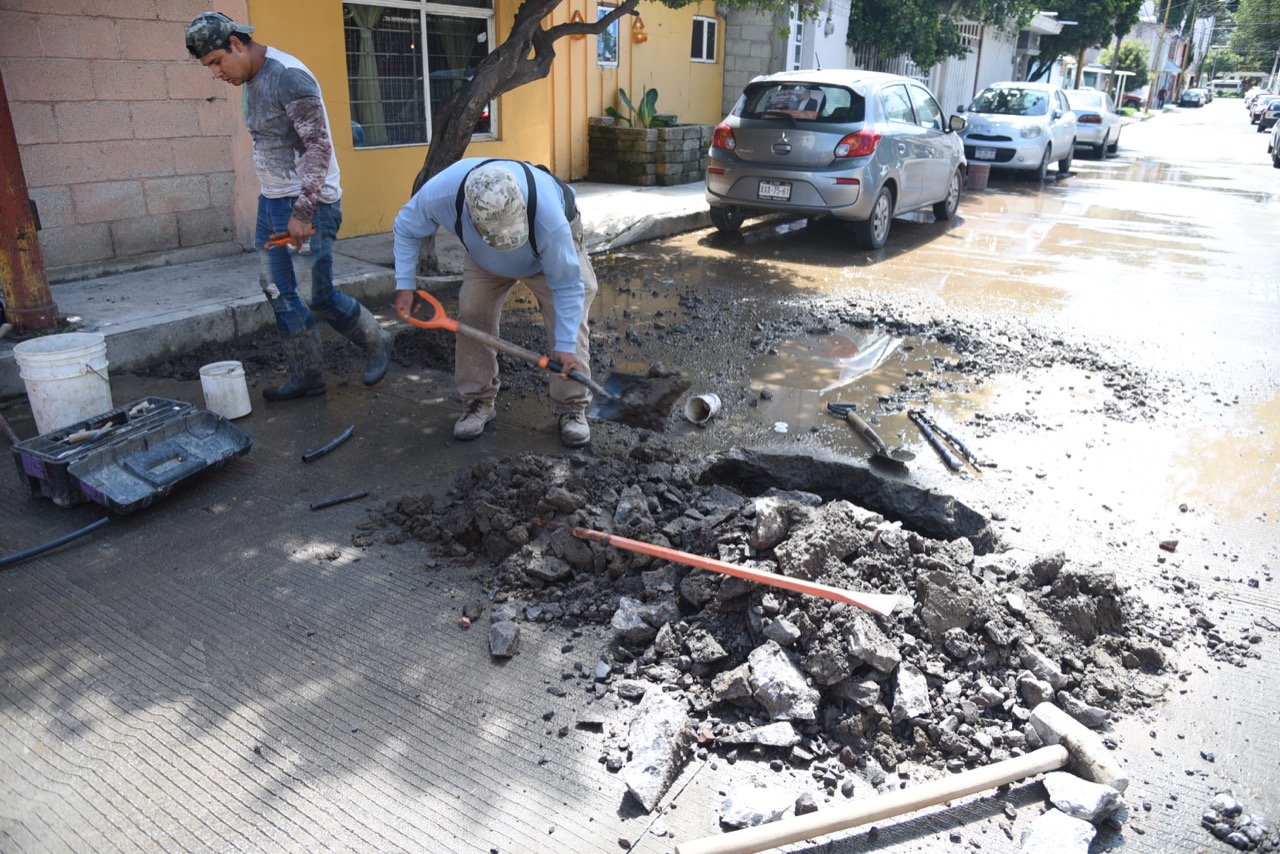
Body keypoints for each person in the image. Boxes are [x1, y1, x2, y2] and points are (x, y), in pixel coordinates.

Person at [185, 12, 393, 401]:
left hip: (309, 205)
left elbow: (318, 146)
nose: (216, 74)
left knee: (318, 295)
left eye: (217, 62)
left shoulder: (287, 77)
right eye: (209, 67)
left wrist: (302, 211)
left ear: (235, 43)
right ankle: (308, 375)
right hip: (273, 202)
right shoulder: (250, 78)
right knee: (276, 288)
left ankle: (378, 340)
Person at [392, 159, 597, 447]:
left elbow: (567, 285)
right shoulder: (441, 196)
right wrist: (404, 284)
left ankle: (572, 407)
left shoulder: (548, 218)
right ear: (471, 217)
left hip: (543, 253)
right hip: (483, 259)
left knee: (569, 321)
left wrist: (563, 347)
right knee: (473, 310)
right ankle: (478, 401)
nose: (506, 243)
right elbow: (405, 227)